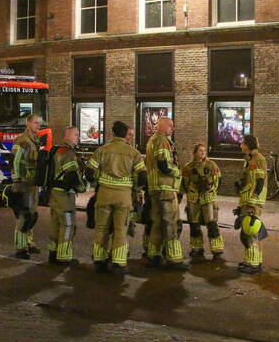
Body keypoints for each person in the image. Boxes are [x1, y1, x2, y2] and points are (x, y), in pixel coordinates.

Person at [88, 121, 146, 276]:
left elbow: (89, 172)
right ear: (125, 134)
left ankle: (99, 260)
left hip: (104, 195)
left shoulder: (101, 150)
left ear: (112, 133)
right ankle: (118, 263)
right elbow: (142, 176)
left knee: (102, 227)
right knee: (121, 229)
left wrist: (96, 183)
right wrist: (137, 189)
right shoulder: (134, 153)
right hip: (123, 196)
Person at [144, 117, 187, 270]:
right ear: (162, 126)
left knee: (157, 221)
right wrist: (177, 172)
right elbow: (163, 164)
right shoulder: (162, 140)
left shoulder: (152, 140)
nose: (172, 129)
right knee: (171, 222)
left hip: (155, 188)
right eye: (170, 125)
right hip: (166, 187)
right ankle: (174, 258)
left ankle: (154, 254)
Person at [47, 126, 87, 265]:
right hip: (65, 195)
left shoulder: (56, 150)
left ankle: (53, 252)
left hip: (54, 193)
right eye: (76, 134)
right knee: (68, 224)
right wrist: (82, 187)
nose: (78, 137)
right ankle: (63, 256)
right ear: (67, 135)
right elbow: (71, 175)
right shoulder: (68, 152)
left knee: (55, 223)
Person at [182, 143, 223, 262]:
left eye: (204, 150)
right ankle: (197, 247)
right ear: (194, 153)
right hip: (194, 198)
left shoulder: (211, 165)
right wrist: (189, 193)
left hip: (208, 198)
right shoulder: (188, 167)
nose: (203, 152)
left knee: (211, 224)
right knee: (194, 224)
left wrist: (212, 191)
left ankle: (217, 249)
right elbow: (185, 183)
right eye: (200, 150)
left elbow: (218, 180)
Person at [10, 113, 44, 259]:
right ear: (28, 123)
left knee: (32, 214)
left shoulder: (35, 140)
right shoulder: (22, 141)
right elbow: (15, 161)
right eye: (36, 123)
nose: (38, 126)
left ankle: (29, 241)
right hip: (23, 183)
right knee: (23, 216)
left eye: (40, 123)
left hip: (32, 183)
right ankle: (20, 247)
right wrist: (17, 180)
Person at [235, 134, 268, 274]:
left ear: (248, 144)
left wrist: (252, 202)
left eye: (242, 143)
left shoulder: (258, 159)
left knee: (250, 232)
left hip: (253, 202)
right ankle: (253, 260)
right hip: (248, 201)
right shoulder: (248, 160)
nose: (240, 145)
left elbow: (260, 181)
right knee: (251, 231)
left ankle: (253, 264)